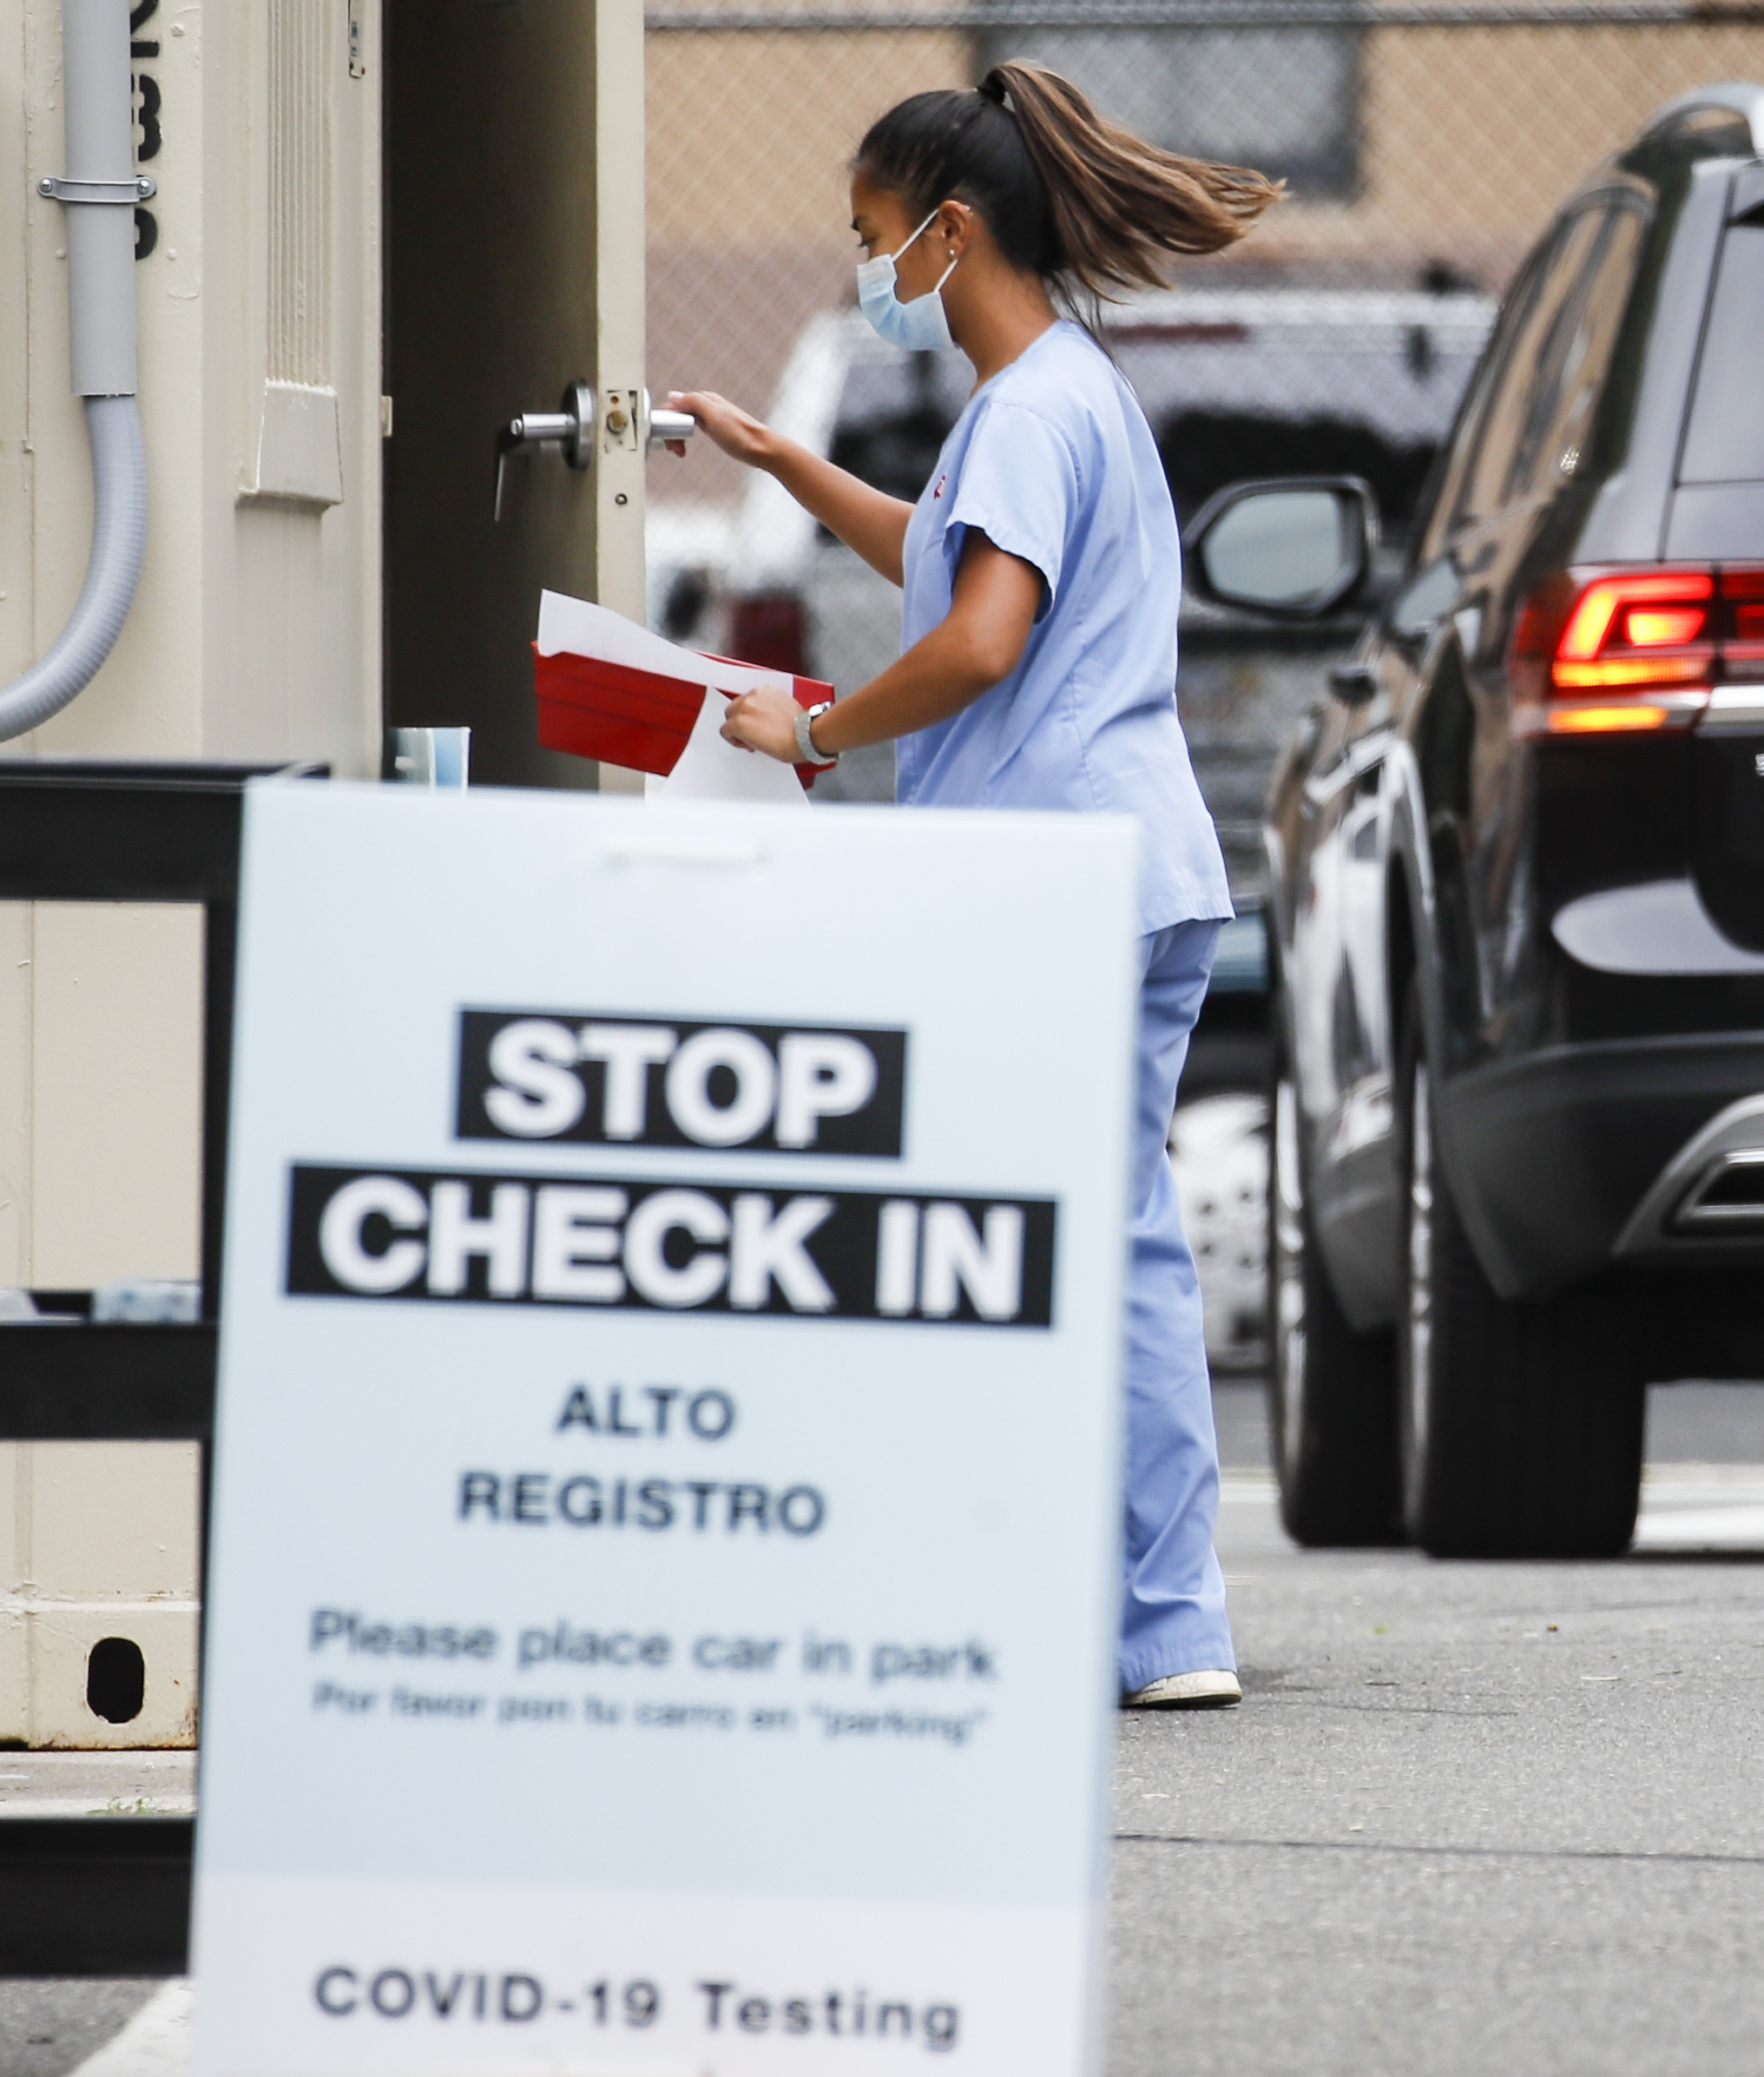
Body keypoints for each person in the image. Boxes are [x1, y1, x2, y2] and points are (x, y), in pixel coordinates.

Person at [670, 63, 1276, 1710]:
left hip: (1063, 878)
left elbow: (978, 638)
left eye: (872, 239)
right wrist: (779, 461)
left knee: (1102, 1243)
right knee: (1104, 1234)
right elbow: (938, 556)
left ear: (947, 231)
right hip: (1109, 867)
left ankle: (1158, 1626)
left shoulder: (1029, 410)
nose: (866, 274)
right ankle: (1132, 1615)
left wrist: (812, 722)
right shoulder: (1055, 395)